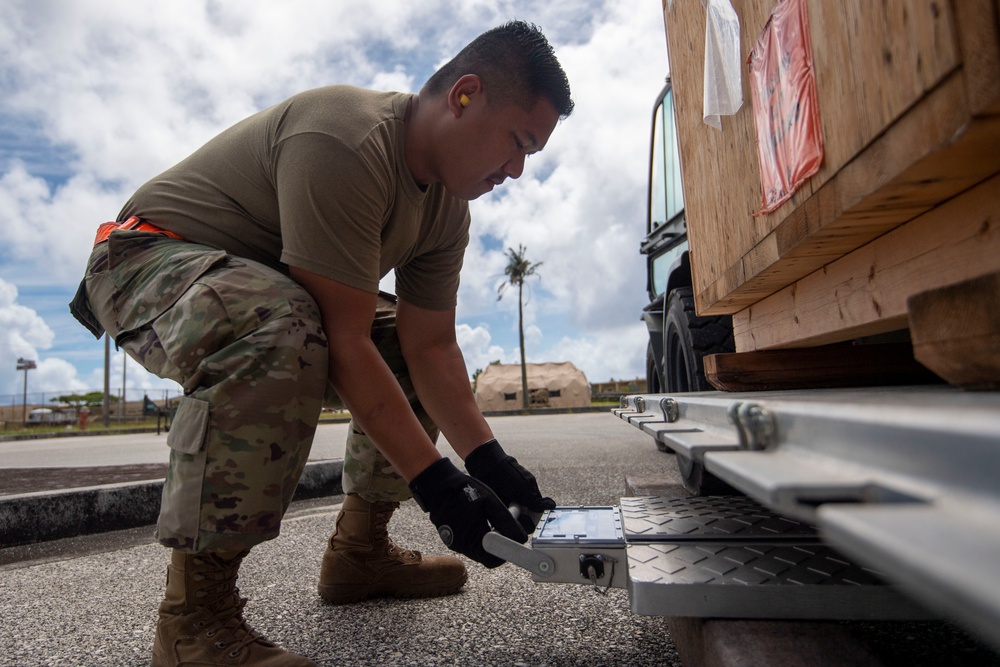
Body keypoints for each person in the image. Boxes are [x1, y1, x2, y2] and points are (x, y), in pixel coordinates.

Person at [70, 20, 573, 666]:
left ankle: (360, 552)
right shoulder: (348, 138)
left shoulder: (447, 207)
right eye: (517, 142)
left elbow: (430, 348)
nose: (517, 170)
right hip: (143, 257)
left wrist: (492, 466)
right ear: (465, 95)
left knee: (374, 335)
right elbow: (340, 340)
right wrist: (442, 489)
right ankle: (193, 622)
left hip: (256, 286)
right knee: (283, 327)